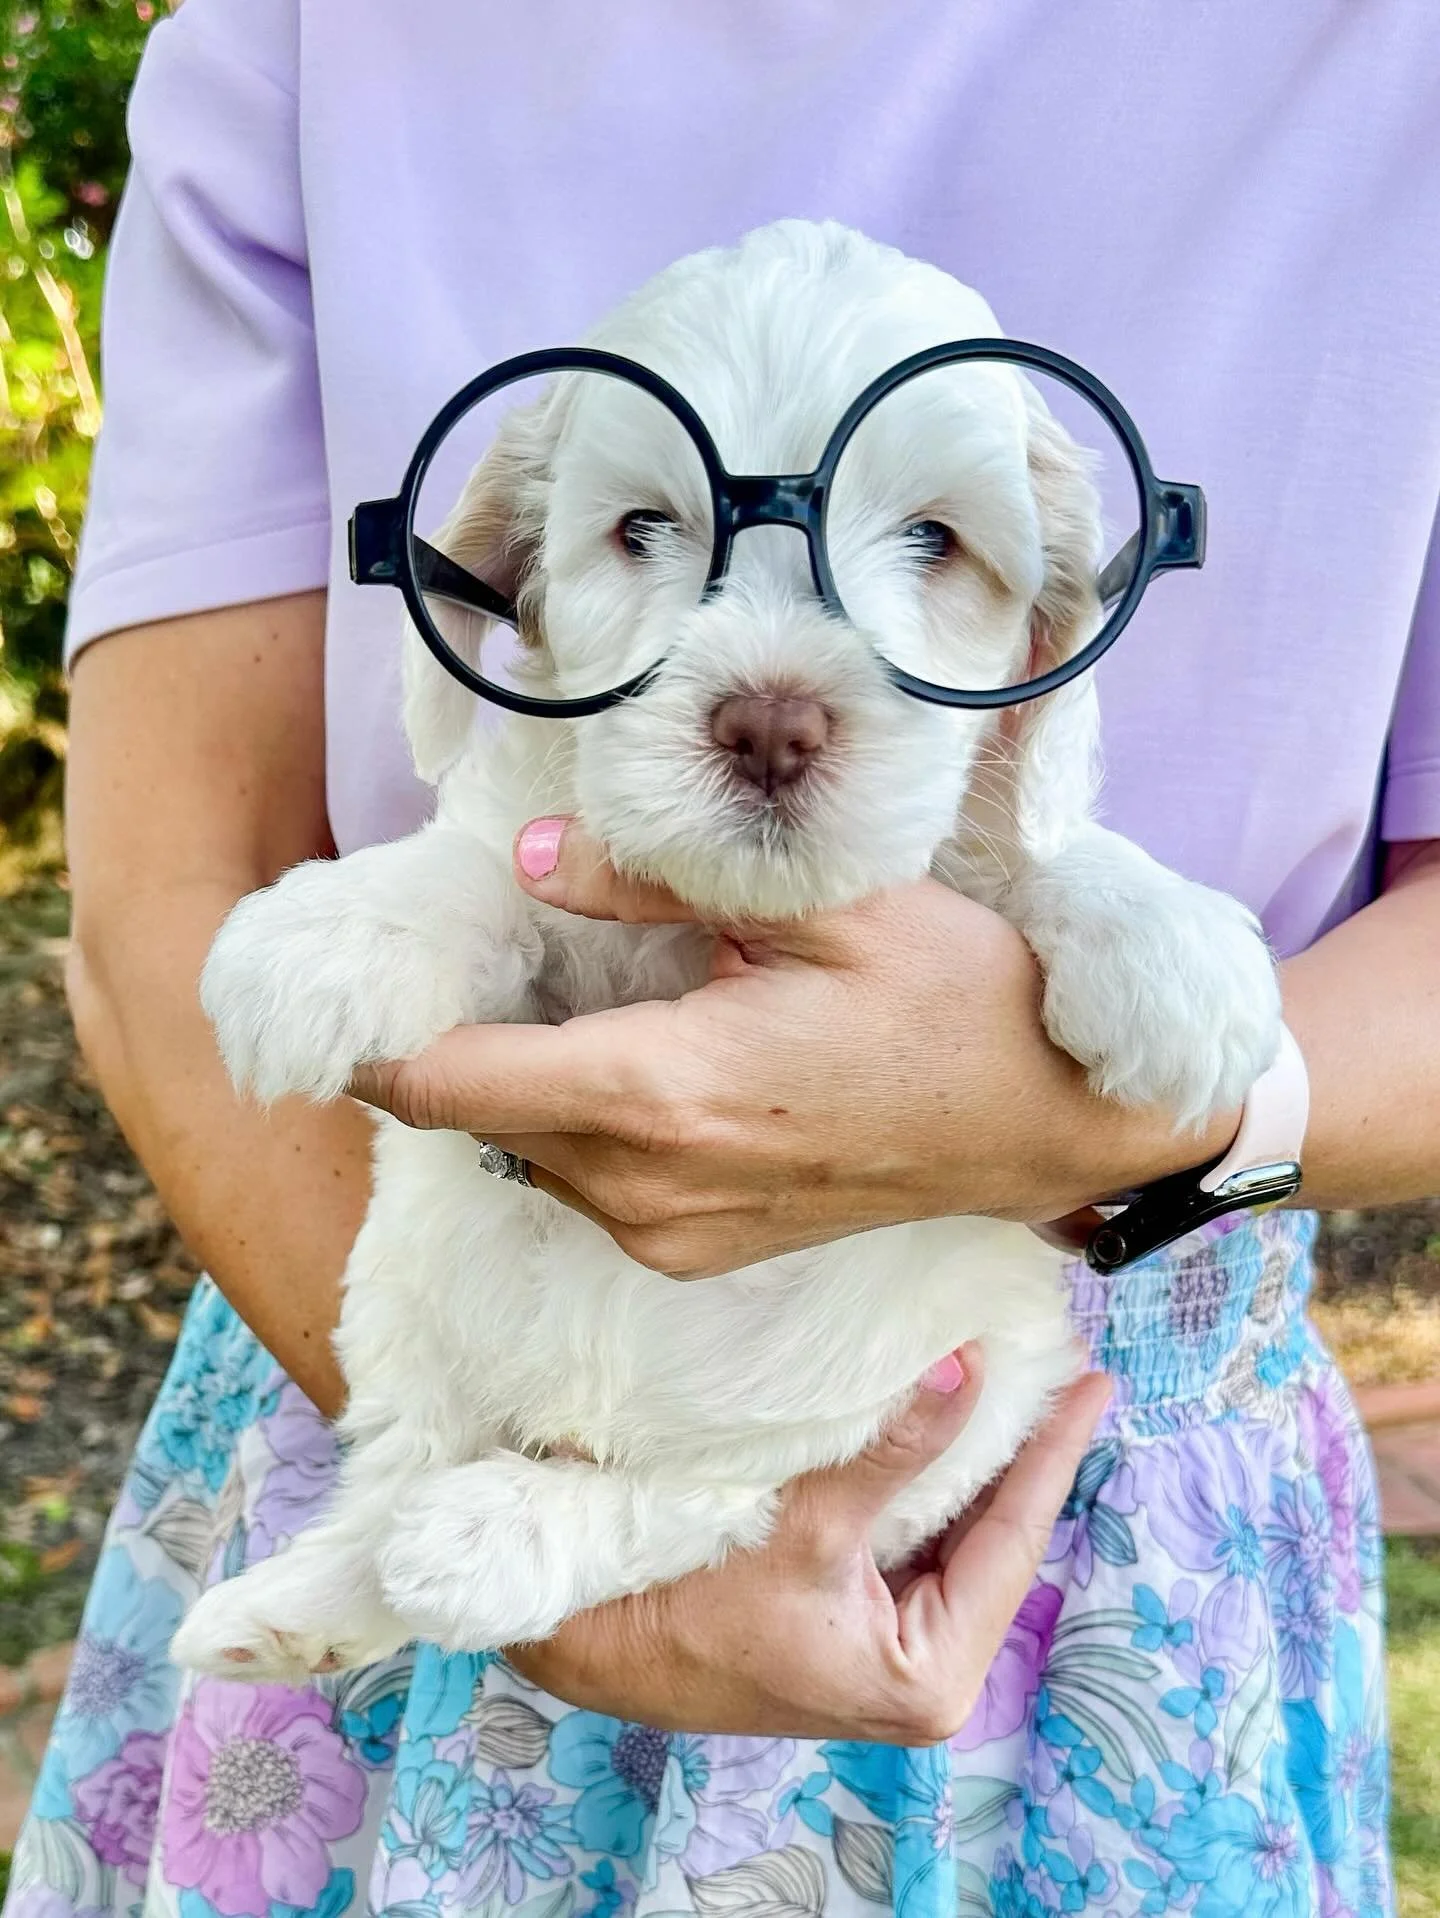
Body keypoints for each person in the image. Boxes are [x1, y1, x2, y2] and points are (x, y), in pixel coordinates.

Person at [7, 3, 1439, 1914]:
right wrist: (529, 1519)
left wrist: (1125, 1113)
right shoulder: (307, 34)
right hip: (390, 1327)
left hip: (1053, 1486)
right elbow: (167, 905)